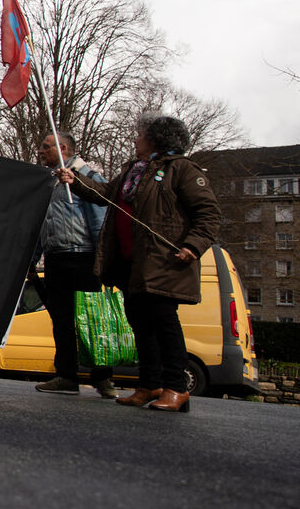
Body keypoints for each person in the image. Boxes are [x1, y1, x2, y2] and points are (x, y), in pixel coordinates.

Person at [61, 113, 220, 412]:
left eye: (141, 135)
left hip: (164, 262)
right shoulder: (134, 170)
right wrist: (76, 180)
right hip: (132, 265)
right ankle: (150, 385)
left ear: (156, 139)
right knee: (141, 324)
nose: (136, 140)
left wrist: (192, 246)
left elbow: (208, 213)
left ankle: (176, 388)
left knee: (164, 324)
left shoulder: (182, 170)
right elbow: (106, 195)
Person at [33, 132, 116, 398]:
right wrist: (34, 258)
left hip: (84, 257)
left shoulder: (87, 177)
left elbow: (100, 220)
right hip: (56, 257)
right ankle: (66, 376)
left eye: (46, 147)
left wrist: (102, 261)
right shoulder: (49, 182)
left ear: (63, 148)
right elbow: (43, 223)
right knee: (61, 320)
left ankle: (103, 378)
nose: (40, 151)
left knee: (94, 319)